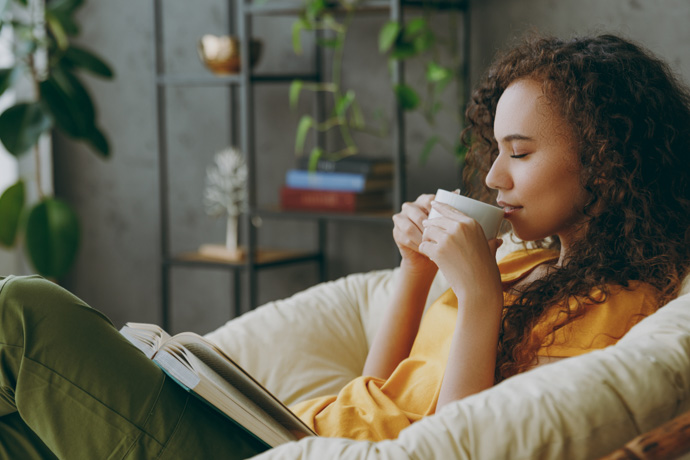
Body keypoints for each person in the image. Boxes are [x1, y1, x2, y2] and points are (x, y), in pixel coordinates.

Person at [1, 32, 689, 458]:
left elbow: (463, 447)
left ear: (605, 160)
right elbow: (376, 385)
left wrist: (479, 298)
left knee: (21, 311)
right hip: (294, 435)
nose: (491, 176)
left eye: (521, 153)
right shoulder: (525, 261)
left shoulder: (615, 308)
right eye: (495, 149)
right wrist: (415, 272)